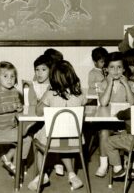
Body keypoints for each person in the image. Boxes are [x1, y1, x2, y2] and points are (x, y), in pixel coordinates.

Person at [28, 60, 87, 191]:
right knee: (63, 143)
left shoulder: (50, 94)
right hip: (74, 141)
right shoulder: (80, 94)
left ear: (52, 79)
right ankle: (72, 175)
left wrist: (46, 93)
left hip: (51, 141)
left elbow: (38, 112)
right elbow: (84, 106)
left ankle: (41, 174)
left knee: (36, 141)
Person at [95, 52, 134, 177]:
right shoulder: (102, 84)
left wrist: (127, 86)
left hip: (125, 122)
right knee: (103, 133)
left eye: (119, 67)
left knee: (132, 134)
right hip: (109, 122)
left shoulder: (129, 84)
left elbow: (133, 103)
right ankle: (104, 164)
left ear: (124, 69)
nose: (116, 71)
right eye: (112, 67)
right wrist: (109, 84)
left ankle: (130, 164)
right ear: (106, 69)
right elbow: (103, 103)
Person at [0, 61, 31, 175]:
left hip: (11, 128)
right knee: (21, 138)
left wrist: (19, 108)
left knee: (28, 139)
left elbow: (17, 106)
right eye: (5, 76)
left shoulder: (14, 92)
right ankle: (16, 168)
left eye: (12, 76)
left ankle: (10, 158)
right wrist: (12, 107)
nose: (9, 79)